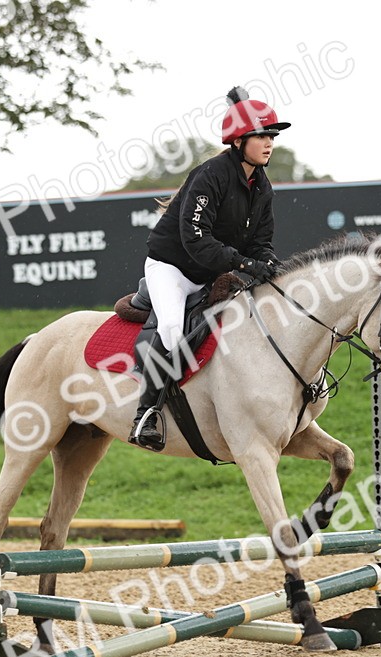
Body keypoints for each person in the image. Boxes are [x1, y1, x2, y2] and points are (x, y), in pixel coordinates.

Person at [129, 87, 289, 450]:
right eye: (262, 135)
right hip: (171, 268)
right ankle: (146, 415)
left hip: (210, 273)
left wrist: (269, 264)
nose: (269, 143)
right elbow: (194, 237)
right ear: (239, 141)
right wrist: (242, 263)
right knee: (171, 328)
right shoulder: (210, 174)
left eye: (272, 136)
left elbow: (260, 242)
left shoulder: (262, 187)